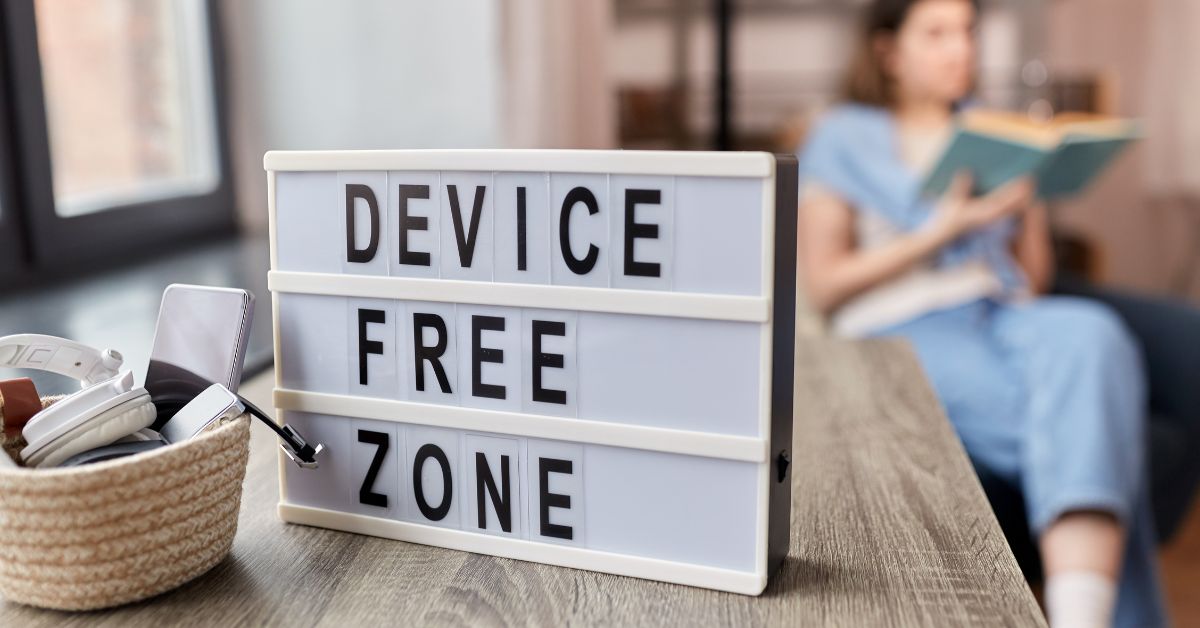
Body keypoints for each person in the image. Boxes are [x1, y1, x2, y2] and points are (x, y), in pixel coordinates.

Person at [795, 0, 1166, 626]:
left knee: (1094, 331)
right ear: (889, 51)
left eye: (966, 33)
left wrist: (1030, 201)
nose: (960, 50)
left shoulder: (991, 127)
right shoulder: (842, 135)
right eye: (936, 34)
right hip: (898, 323)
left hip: (998, 308)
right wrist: (943, 230)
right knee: (1094, 425)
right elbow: (826, 286)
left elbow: (1034, 281)